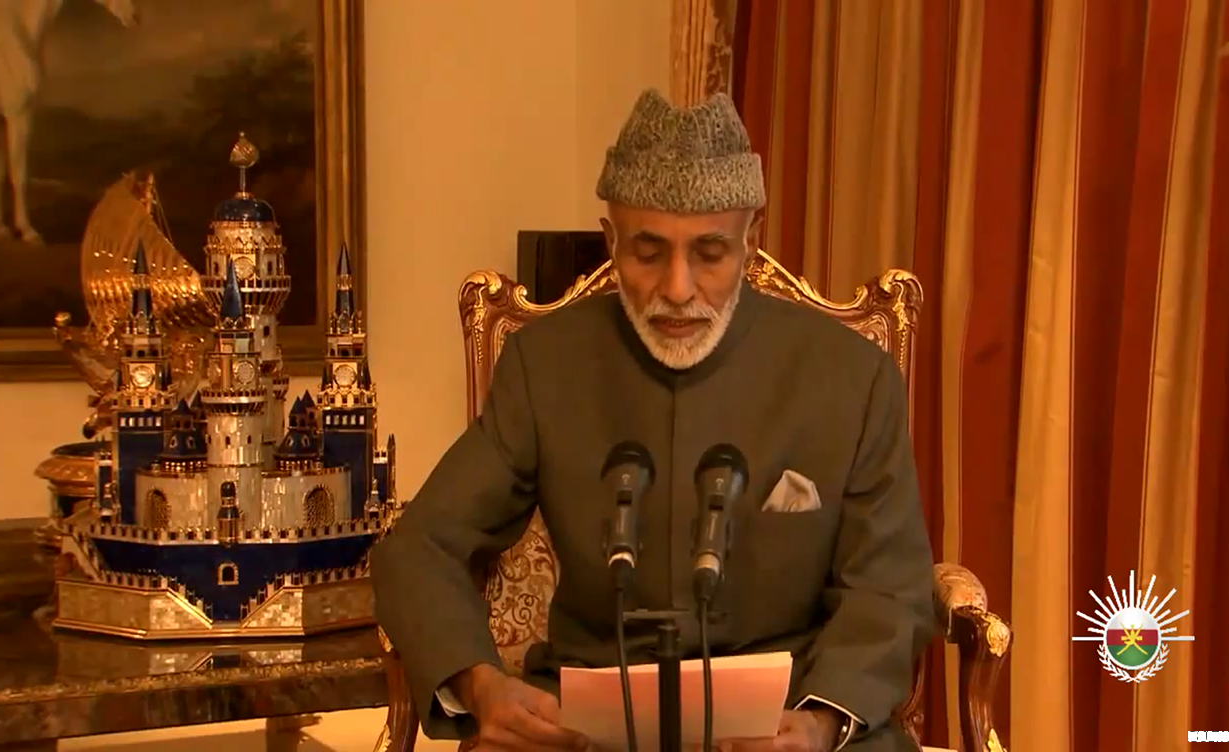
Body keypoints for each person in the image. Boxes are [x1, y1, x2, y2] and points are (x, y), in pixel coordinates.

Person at [370, 88, 936, 752]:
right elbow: (419, 549)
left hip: (787, 718)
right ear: (610, 241)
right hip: (586, 725)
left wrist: (819, 723)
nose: (677, 288)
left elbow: (889, 588)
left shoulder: (851, 376)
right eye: (648, 252)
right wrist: (481, 686)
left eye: (709, 253)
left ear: (750, 241)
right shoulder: (545, 364)